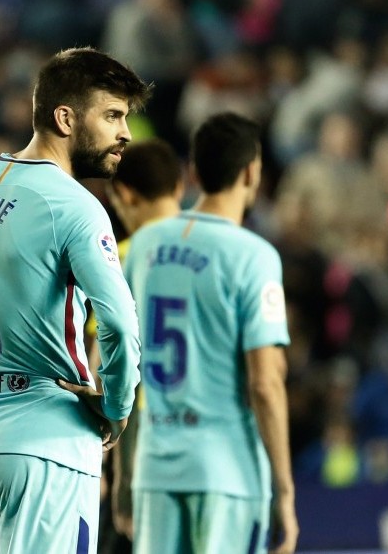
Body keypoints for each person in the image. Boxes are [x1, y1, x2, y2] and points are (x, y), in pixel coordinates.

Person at [0, 47, 150, 553]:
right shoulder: (74, 206)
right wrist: (115, 405)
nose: (125, 133)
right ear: (65, 117)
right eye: (112, 115)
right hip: (48, 442)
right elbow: (119, 323)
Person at [116, 112, 299, 553]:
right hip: (226, 471)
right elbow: (265, 382)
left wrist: (124, 473)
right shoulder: (254, 257)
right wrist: (286, 492)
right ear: (252, 173)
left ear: (193, 173)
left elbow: (120, 363)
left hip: (155, 469)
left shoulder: (142, 248)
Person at [87, 138, 184, 554]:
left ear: (122, 195)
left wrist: (109, 467)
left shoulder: (120, 259)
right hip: (210, 448)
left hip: (142, 447)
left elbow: (104, 366)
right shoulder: (222, 252)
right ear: (179, 188)